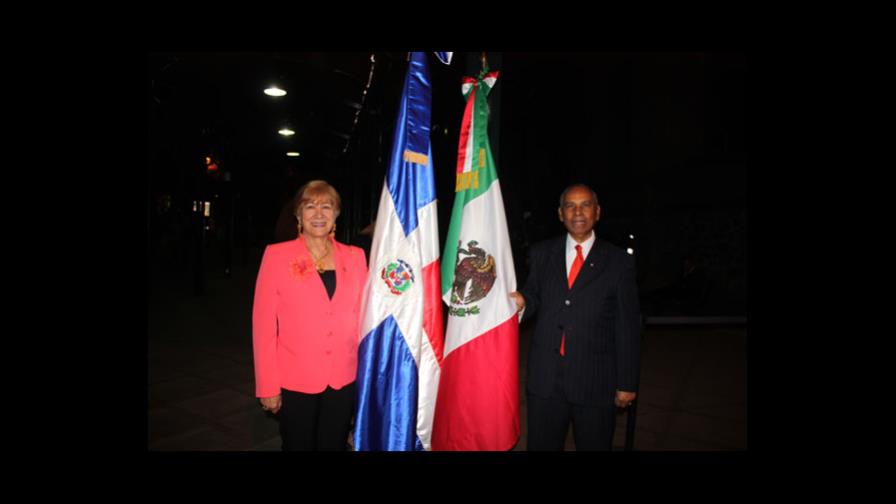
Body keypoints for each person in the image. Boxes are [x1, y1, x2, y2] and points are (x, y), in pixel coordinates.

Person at [509, 184, 641, 450]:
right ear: (560, 214)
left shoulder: (618, 262)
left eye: (585, 205)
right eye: (570, 206)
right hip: (545, 382)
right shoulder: (542, 253)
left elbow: (627, 326)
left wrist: (627, 382)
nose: (577, 212)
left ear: (597, 212)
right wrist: (522, 302)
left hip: (595, 383)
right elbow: (534, 295)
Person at [252, 180, 368, 450]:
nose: (319, 214)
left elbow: (366, 316)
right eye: (310, 206)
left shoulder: (356, 257)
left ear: (336, 214)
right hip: (295, 377)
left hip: (344, 377)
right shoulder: (276, 256)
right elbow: (263, 326)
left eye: (327, 206)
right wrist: (267, 385)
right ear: (298, 215)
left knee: (334, 444)